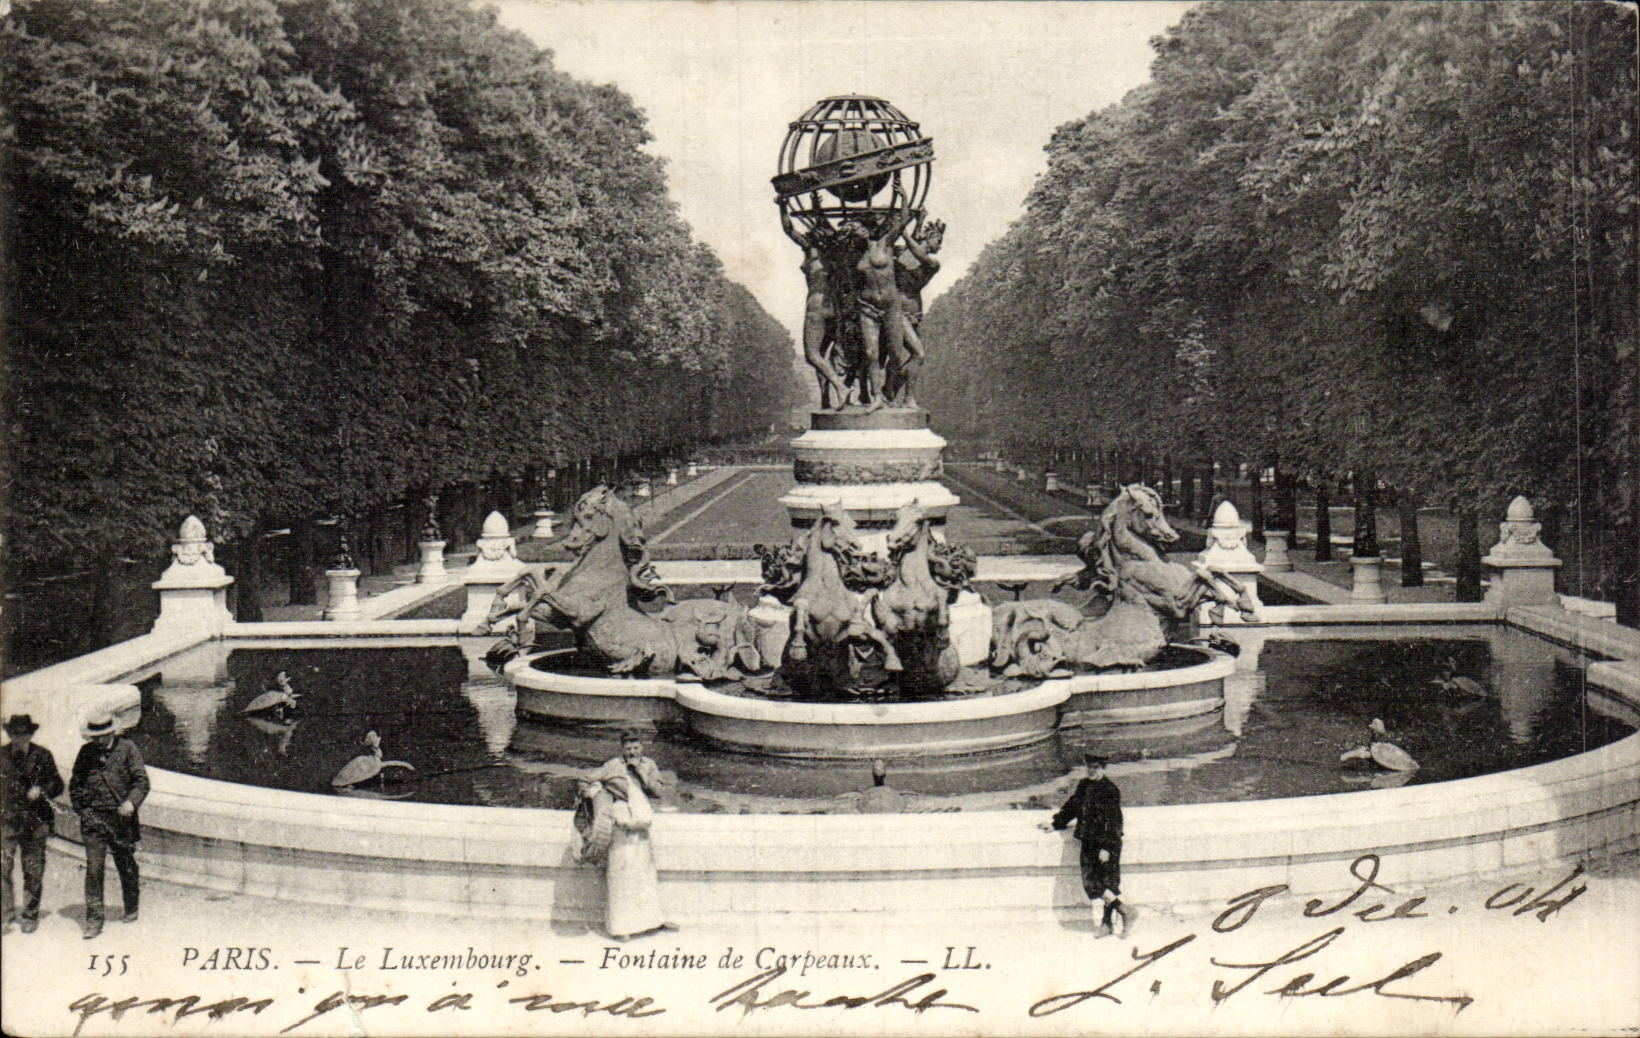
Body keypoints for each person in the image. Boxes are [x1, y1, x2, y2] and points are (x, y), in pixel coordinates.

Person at [582, 730, 674, 940]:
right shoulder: (613, 765)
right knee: (621, 875)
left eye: (635, 747)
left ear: (642, 747)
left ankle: (651, 922)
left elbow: (658, 792)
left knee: (644, 874)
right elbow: (586, 780)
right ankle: (621, 928)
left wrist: (640, 773)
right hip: (621, 825)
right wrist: (595, 791)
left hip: (641, 825)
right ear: (622, 749)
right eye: (628, 748)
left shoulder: (649, 765)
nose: (632, 752)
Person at [70, 713, 149, 939]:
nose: (98, 740)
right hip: (94, 820)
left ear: (112, 732)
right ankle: (94, 920)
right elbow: (75, 785)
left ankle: (131, 906)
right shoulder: (86, 752)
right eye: (95, 737)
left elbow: (142, 781)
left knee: (126, 864)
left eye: (103, 736)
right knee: (94, 869)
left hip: (121, 819)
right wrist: (83, 811)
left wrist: (131, 802)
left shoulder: (128, 748)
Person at [1041, 751, 1130, 937]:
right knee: (1091, 884)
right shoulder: (1084, 785)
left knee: (1108, 883)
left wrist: (1106, 848)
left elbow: (1114, 821)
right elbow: (1072, 807)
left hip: (1107, 844)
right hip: (1089, 841)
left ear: (1102, 768)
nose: (1091, 770)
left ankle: (1107, 924)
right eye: (1089, 767)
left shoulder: (1110, 790)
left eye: (1095, 767)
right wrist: (1056, 824)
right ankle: (1124, 911)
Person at [853, 178, 914, 412]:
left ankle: (889, 391)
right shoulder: (854, 254)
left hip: (891, 307)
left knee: (897, 355)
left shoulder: (885, 243)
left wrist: (903, 197)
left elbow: (904, 220)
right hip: (867, 307)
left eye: (860, 227)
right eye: (855, 229)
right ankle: (876, 397)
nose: (857, 231)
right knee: (871, 353)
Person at [3, 714, 64, 935]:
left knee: (33, 871)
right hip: (6, 823)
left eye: (24, 735)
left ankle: (29, 915)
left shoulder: (43, 756)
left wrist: (42, 790)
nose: (20, 739)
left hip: (35, 822)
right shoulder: (1, 755)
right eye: (16, 735)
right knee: (2, 868)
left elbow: (58, 785)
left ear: (30, 735)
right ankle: (5, 913)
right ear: (10, 735)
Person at [889, 217, 945, 408]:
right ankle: (906, 397)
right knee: (917, 354)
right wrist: (917, 224)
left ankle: (892, 394)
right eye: (938, 240)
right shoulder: (903, 253)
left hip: (913, 315)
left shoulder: (933, 263)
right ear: (928, 237)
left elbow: (918, 253)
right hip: (896, 312)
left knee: (908, 356)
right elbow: (913, 246)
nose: (940, 246)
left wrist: (904, 233)